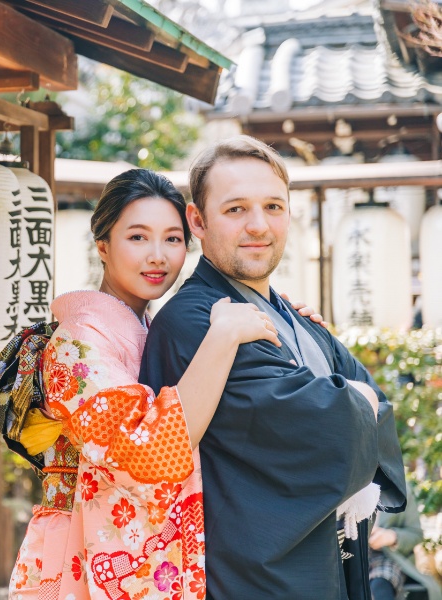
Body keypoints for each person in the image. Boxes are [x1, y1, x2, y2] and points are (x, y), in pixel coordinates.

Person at [0, 168, 321, 600]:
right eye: (138, 237)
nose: (158, 256)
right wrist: (222, 336)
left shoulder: (150, 326)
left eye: (173, 239)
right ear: (103, 246)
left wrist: (280, 321)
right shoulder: (80, 340)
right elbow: (149, 456)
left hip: (128, 555)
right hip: (78, 556)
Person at [138, 135, 408, 600]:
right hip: (253, 577)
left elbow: (375, 402)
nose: (259, 225)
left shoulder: (288, 314)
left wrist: (356, 399)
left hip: (325, 563)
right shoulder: (194, 320)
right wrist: (355, 400)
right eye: (236, 209)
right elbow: (334, 423)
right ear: (197, 221)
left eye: (273, 207)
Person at [370, 484, 442, 600]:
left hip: (387, 559)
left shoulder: (400, 489)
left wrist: (392, 537)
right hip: (345, 558)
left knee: (380, 586)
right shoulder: (343, 484)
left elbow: (416, 534)